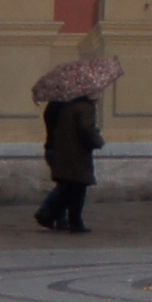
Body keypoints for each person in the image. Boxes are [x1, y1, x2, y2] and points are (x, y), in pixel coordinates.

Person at [38, 87, 100, 233]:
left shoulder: (57, 106)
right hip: (75, 153)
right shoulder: (83, 107)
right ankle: (49, 214)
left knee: (67, 185)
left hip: (56, 148)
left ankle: (61, 219)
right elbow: (86, 129)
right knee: (72, 187)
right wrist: (97, 140)